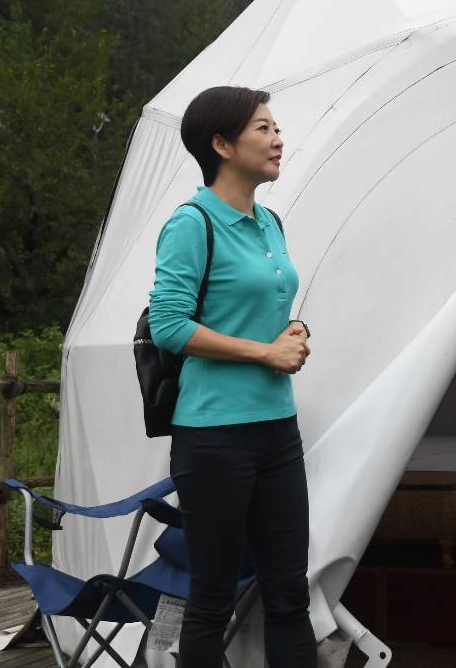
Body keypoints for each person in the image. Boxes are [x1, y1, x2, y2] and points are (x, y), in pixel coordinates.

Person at [149, 85, 317, 668]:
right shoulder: (191, 223)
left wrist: (291, 332)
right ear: (221, 145)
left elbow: (257, 310)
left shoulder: (270, 222)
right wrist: (265, 354)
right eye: (263, 129)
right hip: (214, 435)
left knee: (289, 593)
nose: (278, 139)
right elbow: (169, 325)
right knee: (212, 598)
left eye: (276, 128)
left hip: (278, 430)